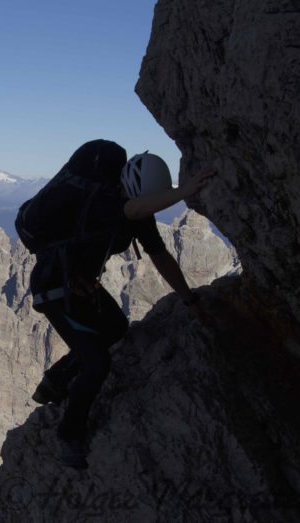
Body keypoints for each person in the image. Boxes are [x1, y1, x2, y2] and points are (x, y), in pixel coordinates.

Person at [25, 139, 215, 469]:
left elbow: (161, 256)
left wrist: (190, 299)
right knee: (97, 363)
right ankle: (69, 434)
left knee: (115, 327)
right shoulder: (108, 201)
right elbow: (132, 210)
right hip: (55, 287)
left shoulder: (137, 212)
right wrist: (185, 191)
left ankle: (56, 380)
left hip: (80, 284)